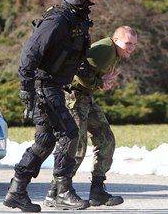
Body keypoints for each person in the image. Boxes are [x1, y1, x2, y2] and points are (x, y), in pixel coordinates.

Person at [3, 0, 102, 212]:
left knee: (45, 141)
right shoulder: (58, 21)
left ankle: (17, 191)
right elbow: (30, 54)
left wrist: (96, 79)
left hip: (52, 87)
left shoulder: (76, 22)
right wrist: (26, 88)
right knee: (69, 134)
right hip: (43, 87)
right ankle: (63, 193)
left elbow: (76, 59)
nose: (93, 3)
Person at [43, 26, 138, 208]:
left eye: (134, 44)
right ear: (116, 40)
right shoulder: (106, 50)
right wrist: (100, 83)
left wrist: (99, 82)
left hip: (85, 97)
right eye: (128, 43)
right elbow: (80, 69)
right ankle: (55, 192)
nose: (131, 48)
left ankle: (98, 192)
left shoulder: (112, 51)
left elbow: (88, 72)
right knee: (76, 146)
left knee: (105, 138)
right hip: (74, 98)